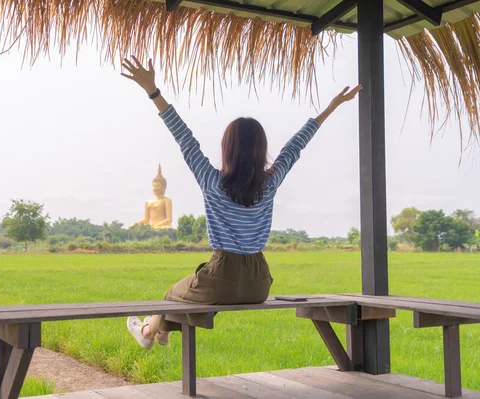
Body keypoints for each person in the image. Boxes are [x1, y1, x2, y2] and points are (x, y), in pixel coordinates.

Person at [121, 56, 362, 349]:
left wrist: (153, 91)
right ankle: (158, 332)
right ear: (261, 150)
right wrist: (332, 107)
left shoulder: (211, 180)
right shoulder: (269, 183)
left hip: (222, 275)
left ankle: (149, 333)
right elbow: (296, 144)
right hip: (260, 280)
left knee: (174, 292)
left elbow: (184, 138)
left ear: (227, 148)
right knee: (189, 291)